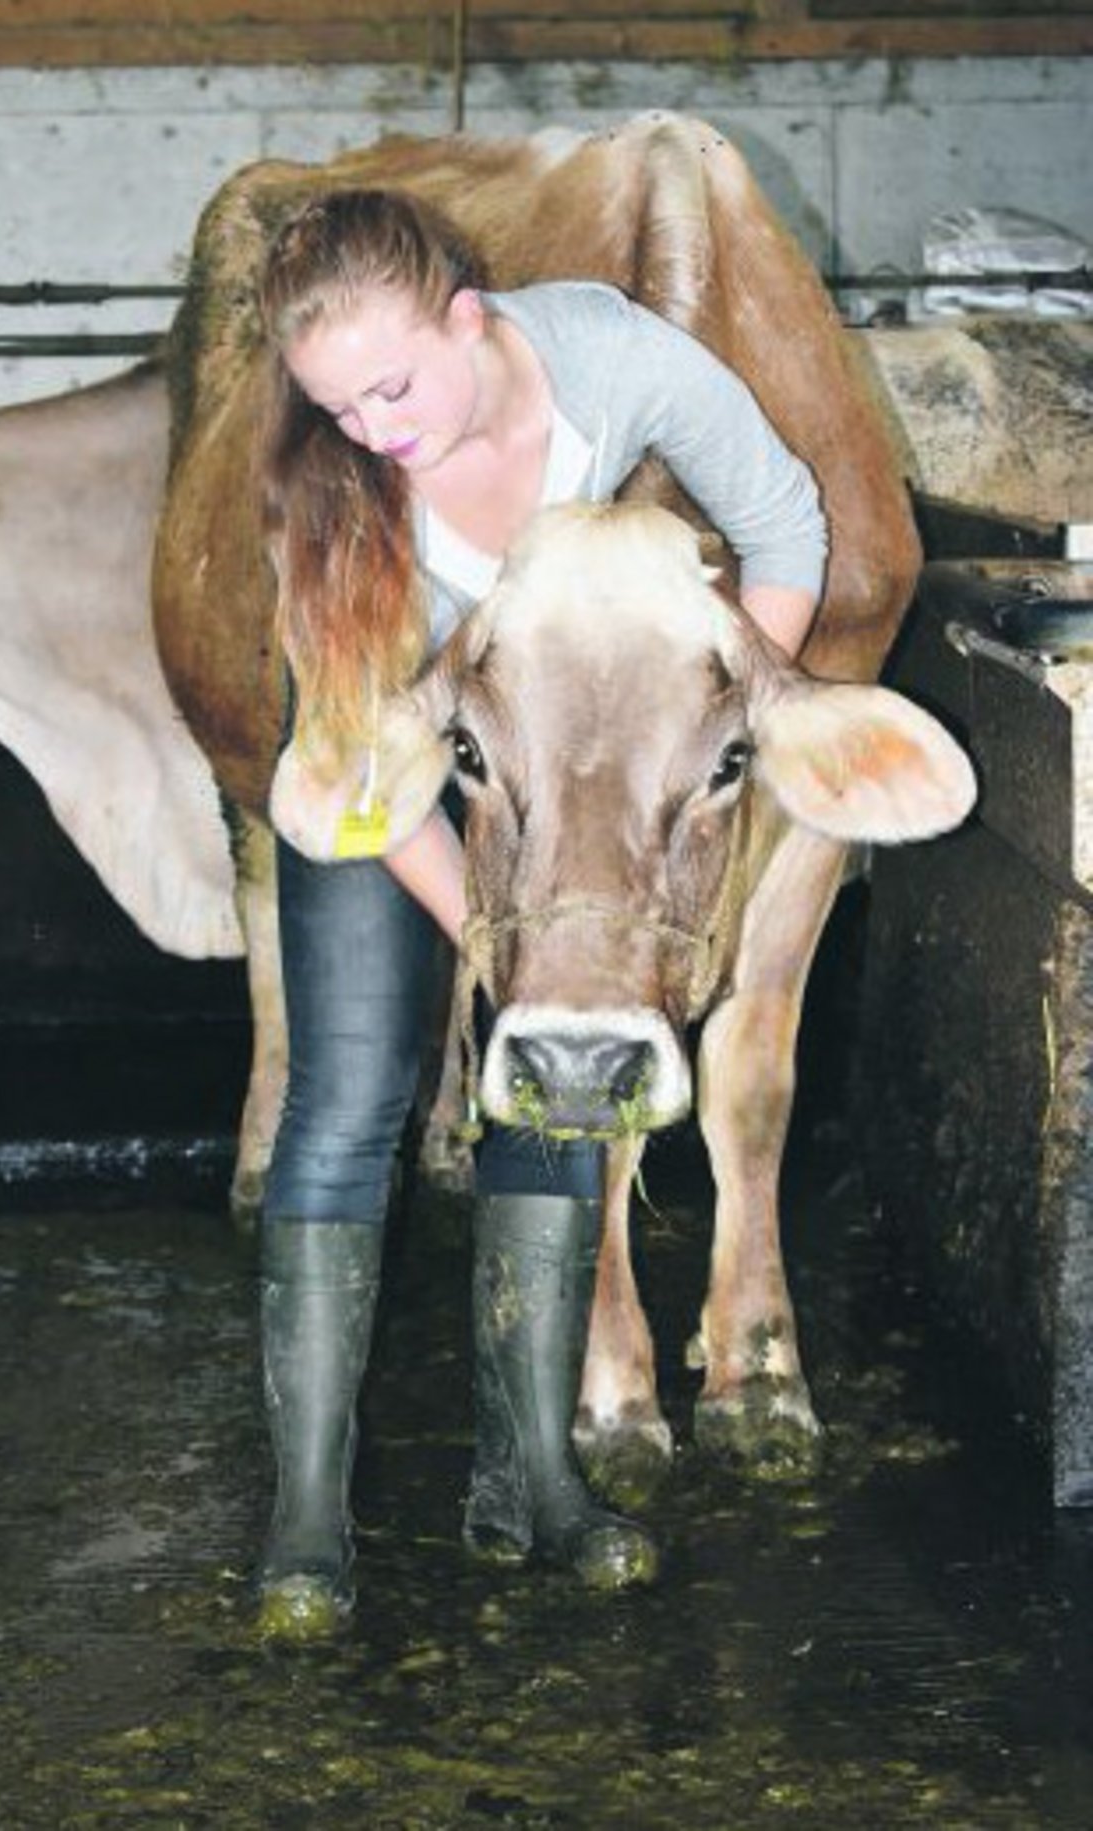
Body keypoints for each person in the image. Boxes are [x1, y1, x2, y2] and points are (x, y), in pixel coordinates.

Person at [253, 187, 828, 1640]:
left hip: (552, 763)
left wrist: (715, 712)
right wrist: (514, 946)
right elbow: (368, 781)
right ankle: (307, 1523)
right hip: (378, 777)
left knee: (555, 1100)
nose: (376, 426)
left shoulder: (613, 360)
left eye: (394, 384)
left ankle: (535, 1482)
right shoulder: (334, 490)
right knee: (349, 1102)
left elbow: (784, 522)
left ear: (471, 316)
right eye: (339, 403)